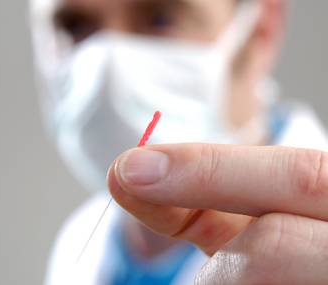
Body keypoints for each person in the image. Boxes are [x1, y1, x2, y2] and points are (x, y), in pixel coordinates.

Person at [29, 0, 328, 284]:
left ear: (262, 27)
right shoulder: (77, 245)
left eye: (160, 18)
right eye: (75, 25)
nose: (109, 75)